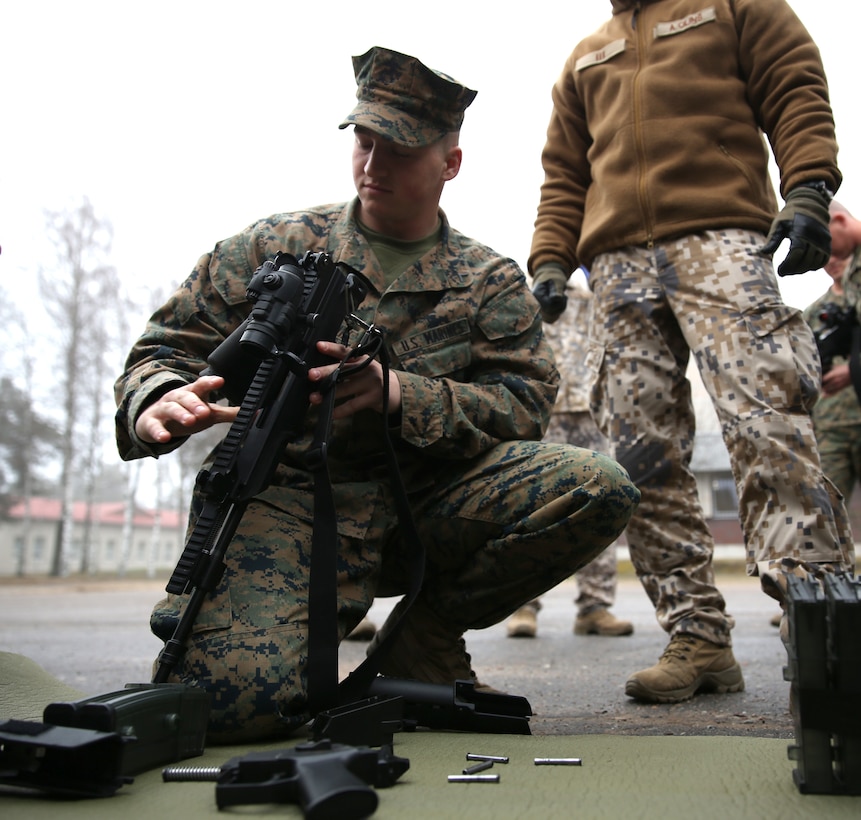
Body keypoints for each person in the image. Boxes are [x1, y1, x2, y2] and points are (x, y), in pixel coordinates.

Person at [114, 46, 640, 742]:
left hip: (424, 503)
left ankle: (423, 637)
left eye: (399, 149)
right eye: (364, 141)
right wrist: (156, 399)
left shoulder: (487, 280)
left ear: (449, 163)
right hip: (292, 503)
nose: (372, 164)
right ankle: (283, 645)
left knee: (595, 485)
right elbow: (163, 348)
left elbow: (523, 404)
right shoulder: (273, 249)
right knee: (231, 711)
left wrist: (400, 394)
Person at [529, 0, 855, 705]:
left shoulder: (734, 7)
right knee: (640, 452)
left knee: (768, 420)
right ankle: (698, 637)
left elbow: (793, 84)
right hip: (615, 265)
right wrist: (550, 258)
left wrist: (805, 186)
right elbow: (563, 171)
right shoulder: (587, 54)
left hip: (721, 241)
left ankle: (820, 623)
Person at [506, 277, 633, 638]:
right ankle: (522, 607)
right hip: (538, 411)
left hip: (591, 412)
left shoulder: (595, 298)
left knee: (601, 505)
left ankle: (595, 607)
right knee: (527, 508)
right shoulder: (523, 295)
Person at [803, 201, 861, 504]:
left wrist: (852, 369)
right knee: (825, 508)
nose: (833, 260)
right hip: (831, 426)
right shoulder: (815, 313)